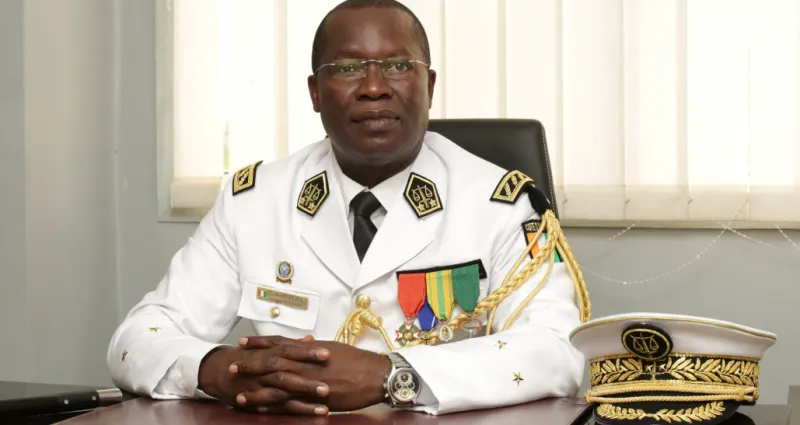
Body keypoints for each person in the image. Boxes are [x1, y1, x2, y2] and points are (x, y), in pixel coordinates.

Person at [107, 0, 591, 416]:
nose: (374, 87)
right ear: (315, 93)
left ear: (429, 86)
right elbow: (137, 338)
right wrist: (218, 369)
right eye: (347, 68)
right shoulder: (253, 201)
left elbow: (557, 351)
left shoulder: (501, 203)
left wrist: (393, 375)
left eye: (398, 65)